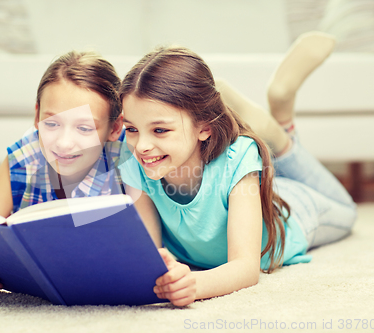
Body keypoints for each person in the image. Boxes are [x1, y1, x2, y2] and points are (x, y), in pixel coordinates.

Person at [118, 32, 357, 307]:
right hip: (252, 190)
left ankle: (281, 128)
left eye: (160, 129)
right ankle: (276, 130)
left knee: (347, 210)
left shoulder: (238, 157)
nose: (142, 146)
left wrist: (193, 285)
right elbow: (151, 252)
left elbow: (245, 268)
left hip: (295, 210)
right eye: (132, 129)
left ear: (204, 127)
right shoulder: (133, 157)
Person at [0, 51, 125, 294]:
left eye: (84, 127)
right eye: (53, 124)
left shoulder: (126, 162)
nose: (64, 143)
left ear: (115, 127)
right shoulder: (23, 160)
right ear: (37, 116)